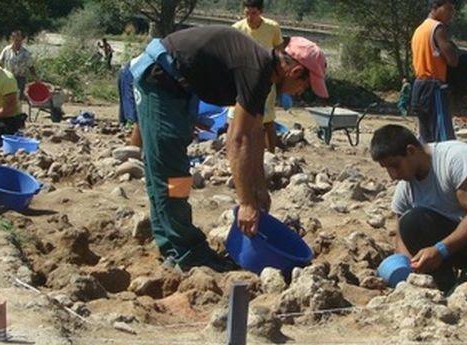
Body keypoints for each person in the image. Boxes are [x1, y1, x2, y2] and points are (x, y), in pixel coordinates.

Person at [129, 26, 327, 272]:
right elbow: (238, 140)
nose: (301, 93)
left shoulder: (263, 75)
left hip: (178, 85)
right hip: (160, 79)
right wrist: (246, 203)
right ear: (295, 71)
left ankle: (172, 245)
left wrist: (259, 188)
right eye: (305, 86)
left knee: (166, 171)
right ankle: (187, 252)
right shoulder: (256, 70)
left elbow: (254, 135)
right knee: (172, 174)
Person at [370, 124, 467, 292]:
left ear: (411, 151)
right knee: (411, 221)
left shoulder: (457, 158)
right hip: (453, 247)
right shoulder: (406, 185)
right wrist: (407, 268)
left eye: (395, 166)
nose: (393, 175)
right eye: (387, 169)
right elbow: (401, 234)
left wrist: (440, 250)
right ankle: (444, 286)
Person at [232, 0, 284, 153]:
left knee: (267, 119)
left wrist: (281, 83)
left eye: (253, 13)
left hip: (266, 80)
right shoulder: (237, 29)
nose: (250, 17)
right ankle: (236, 151)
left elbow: (280, 54)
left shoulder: (272, 28)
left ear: (260, 12)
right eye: (247, 13)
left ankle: (271, 153)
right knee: (235, 117)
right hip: (243, 81)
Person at [410, 0, 459, 143]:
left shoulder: (419, 30)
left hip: (419, 86)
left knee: (427, 137)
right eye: (448, 9)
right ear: (435, 8)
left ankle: (428, 165)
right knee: (444, 138)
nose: (451, 14)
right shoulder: (438, 28)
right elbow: (453, 60)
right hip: (434, 87)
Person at [0, 30, 35, 99]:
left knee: (19, 98)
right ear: (12, 39)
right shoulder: (6, 50)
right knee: (7, 97)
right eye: (16, 40)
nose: (18, 42)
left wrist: (35, 78)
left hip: (20, 79)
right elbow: (0, 63)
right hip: (8, 78)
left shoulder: (26, 52)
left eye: (19, 40)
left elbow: (30, 66)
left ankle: (18, 109)